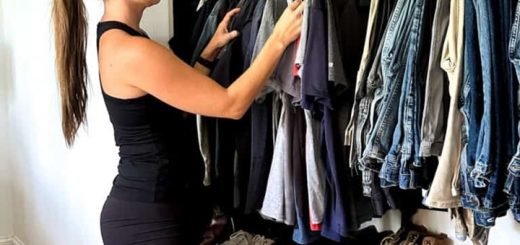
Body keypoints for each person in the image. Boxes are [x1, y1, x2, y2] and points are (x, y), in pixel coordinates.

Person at [51, 0, 303, 244]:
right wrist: (278, 38)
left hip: (153, 212)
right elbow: (232, 104)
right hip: (150, 221)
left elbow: (173, 103)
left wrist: (208, 52)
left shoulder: (123, 38)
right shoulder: (131, 49)